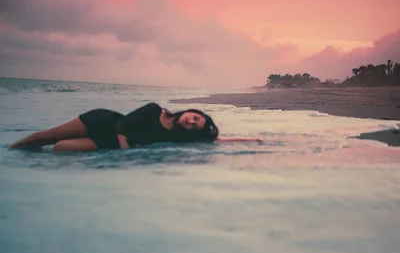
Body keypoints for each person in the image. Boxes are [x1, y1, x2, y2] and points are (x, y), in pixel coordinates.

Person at [9, 102, 262, 152]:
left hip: (110, 142)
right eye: (196, 117)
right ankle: (12, 150)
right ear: (190, 112)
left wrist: (247, 142)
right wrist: (125, 153)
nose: (193, 122)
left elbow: (215, 143)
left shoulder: (175, 138)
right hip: (103, 122)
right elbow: (122, 125)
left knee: (60, 149)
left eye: (196, 126)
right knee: (45, 137)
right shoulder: (154, 109)